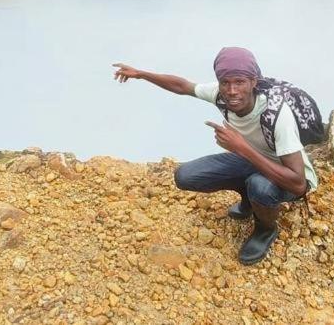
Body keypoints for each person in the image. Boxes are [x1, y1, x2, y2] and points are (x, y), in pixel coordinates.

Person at [112, 47, 318, 265]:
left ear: (253, 82)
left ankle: (265, 229)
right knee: (186, 176)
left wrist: (241, 147)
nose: (231, 91)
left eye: (239, 82)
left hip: (285, 175)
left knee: (260, 186)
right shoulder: (220, 95)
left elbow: (298, 184)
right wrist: (142, 74)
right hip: (253, 160)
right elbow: (183, 86)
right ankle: (248, 198)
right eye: (225, 82)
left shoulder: (276, 116)